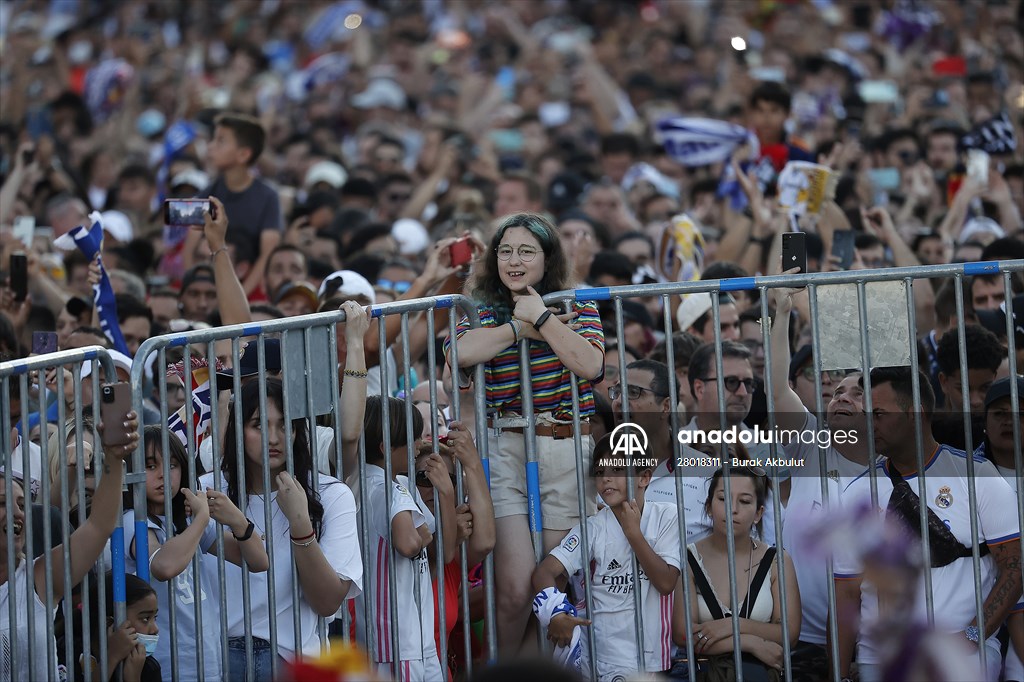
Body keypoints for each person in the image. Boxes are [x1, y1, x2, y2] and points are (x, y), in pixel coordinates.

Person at [448, 212, 604, 654]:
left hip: (565, 447)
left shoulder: (576, 302)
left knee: (551, 589)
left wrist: (544, 318)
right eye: (506, 250)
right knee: (515, 590)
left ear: (547, 257)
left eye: (526, 251)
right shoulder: (475, 305)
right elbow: (460, 353)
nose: (514, 260)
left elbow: (591, 364)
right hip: (506, 448)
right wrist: (518, 326)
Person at [834, 367, 1022, 682]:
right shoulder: (856, 493)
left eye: (879, 414)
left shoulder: (978, 477)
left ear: (916, 413)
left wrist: (972, 636)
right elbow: (846, 595)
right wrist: (837, 675)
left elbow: (1015, 568)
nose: (870, 424)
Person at [198, 378, 362, 679]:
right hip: (215, 662)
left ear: (298, 431)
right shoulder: (206, 492)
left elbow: (327, 602)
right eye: (259, 425)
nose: (274, 438)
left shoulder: (330, 494)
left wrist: (301, 524)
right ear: (238, 430)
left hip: (292, 663)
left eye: (285, 425)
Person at [0, 411, 139, 680]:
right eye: (3, 503)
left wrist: (113, 458)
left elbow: (98, 525)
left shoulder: (38, 579)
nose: (17, 513)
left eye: (21, 505)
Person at [124, 425, 269, 680]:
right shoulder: (131, 522)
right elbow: (163, 566)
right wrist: (202, 518)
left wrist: (237, 519)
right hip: (165, 666)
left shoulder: (188, 523)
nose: (163, 475)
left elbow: (258, 561)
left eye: (172, 465)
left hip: (209, 664)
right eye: (150, 466)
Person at [532, 437, 681, 679]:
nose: (606, 478)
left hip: (652, 656)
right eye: (600, 471)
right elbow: (544, 572)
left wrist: (633, 533)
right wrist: (555, 613)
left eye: (617, 469)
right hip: (604, 654)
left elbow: (666, 583)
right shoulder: (593, 528)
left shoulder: (666, 515)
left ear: (644, 477)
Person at [672, 462, 801, 680]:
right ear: (708, 506)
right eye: (723, 499)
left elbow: (789, 633)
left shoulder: (777, 560)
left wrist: (731, 625)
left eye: (744, 501)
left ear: (759, 513)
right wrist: (749, 642)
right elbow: (683, 634)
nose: (733, 509)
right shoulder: (687, 558)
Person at [356, 395, 444, 681]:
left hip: (416, 638)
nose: (420, 444)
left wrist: (418, 535)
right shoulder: (381, 488)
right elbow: (410, 542)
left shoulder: (398, 482)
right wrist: (416, 536)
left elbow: (426, 533)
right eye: (414, 438)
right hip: (394, 642)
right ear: (385, 448)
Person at [74, 571, 162, 682]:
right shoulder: (70, 654)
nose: (155, 629)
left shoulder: (147, 667)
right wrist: (112, 657)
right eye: (145, 619)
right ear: (110, 623)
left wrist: (133, 678)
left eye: (155, 617)